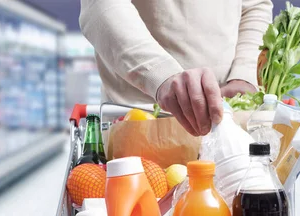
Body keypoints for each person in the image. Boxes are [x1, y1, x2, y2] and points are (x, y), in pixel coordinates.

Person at [79, 0, 273, 136]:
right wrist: (161, 75)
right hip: (141, 123)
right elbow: (102, 6)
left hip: (230, 122)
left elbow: (255, 6)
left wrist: (245, 74)